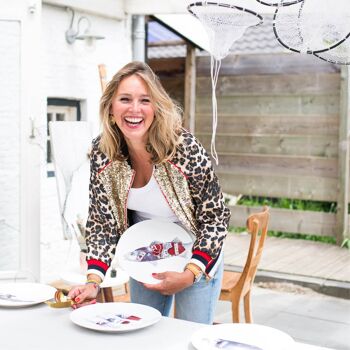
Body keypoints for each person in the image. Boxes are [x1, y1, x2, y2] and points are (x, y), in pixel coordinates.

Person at [68, 61, 231, 324]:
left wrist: (190, 272)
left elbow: (216, 217)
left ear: (156, 107)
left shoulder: (183, 148)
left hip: (196, 252)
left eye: (145, 100)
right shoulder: (103, 152)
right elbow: (101, 221)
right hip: (143, 252)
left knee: (190, 334)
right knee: (144, 334)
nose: (134, 109)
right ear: (111, 108)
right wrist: (93, 280)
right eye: (125, 99)